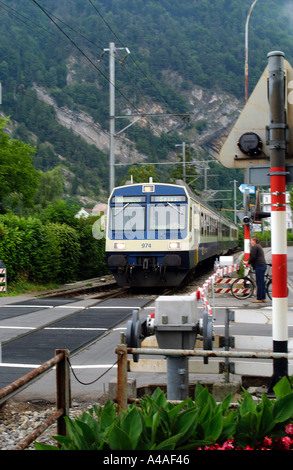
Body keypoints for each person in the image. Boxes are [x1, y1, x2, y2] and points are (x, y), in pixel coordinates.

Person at [244, 236, 267, 303]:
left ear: (254, 240)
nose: (251, 242)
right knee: (262, 283)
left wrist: (247, 262)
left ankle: (259, 298)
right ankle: (263, 298)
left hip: (259, 266)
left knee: (259, 283)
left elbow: (253, 256)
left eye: (251, 240)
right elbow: (254, 256)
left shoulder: (254, 247)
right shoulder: (259, 246)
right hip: (262, 265)